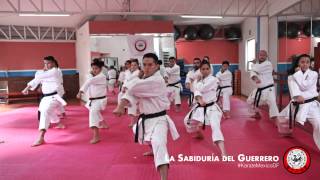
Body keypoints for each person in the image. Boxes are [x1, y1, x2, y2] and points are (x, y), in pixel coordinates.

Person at [113, 53, 179, 180]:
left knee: (159, 144)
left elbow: (132, 87)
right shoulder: (144, 80)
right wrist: (122, 105)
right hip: (145, 119)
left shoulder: (156, 80)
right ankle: (152, 149)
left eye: (150, 65)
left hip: (159, 119)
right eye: (144, 65)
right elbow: (132, 94)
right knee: (141, 134)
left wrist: (121, 105)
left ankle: (164, 178)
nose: (147, 68)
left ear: (156, 66)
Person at [184, 60, 227, 157]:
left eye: (207, 69)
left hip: (212, 107)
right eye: (203, 69)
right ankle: (199, 132)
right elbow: (192, 89)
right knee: (187, 121)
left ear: (210, 69)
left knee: (215, 127)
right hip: (200, 107)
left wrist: (196, 85)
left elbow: (200, 89)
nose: (205, 71)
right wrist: (197, 92)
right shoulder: (198, 80)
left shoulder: (213, 79)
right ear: (200, 70)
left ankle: (223, 151)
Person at [22, 56, 67, 147]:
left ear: (54, 63)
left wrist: (41, 72)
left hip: (55, 96)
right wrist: (27, 88)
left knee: (46, 111)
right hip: (46, 97)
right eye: (45, 63)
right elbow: (37, 79)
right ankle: (59, 123)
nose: (46, 65)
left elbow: (39, 76)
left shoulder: (55, 71)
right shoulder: (45, 72)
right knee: (44, 110)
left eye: (48, 63)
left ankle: (41, 136)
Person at [278, 54, 320, 150]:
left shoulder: (314, 74)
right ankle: (286, 131)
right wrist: (297, 95)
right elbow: (295, 89)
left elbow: (305, 86)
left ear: (310, 63)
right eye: (302, 62)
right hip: (297, 104)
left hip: (312, 105)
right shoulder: (291, 77)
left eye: (307, 62)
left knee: (318, 124)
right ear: (297, 63)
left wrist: (298, 74)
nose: (305, 64)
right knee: (281, 118)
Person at [77, 58, 107, 144]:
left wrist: (80, 92)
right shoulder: (93, 76)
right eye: (93, 68)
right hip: (93, 101)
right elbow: (89, 78)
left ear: (100, 69)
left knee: (93, 115)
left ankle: (96, 136)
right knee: (93, 111)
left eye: (96, 68)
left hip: (99, 100)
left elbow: (89, 81)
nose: (94, 70)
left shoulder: (101, 76)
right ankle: (103, 123)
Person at [247, 50, 279, 121]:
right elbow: (253, 70)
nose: (262, 56)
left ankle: (277, 120)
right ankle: (257, 114)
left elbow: (256, 69)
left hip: (268, 89)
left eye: (263, 55)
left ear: (266, 56)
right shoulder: (258, 65)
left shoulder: (268, 64)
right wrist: (255, 77)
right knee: (251, 100)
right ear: (258, 56)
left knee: (272, 103)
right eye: (260, 55)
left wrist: (254, 64)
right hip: (260, 88)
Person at [121, 59, 141, 127]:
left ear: (138, 65)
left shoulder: (139, 72)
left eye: (135, 65)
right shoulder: (128, 72)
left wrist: (127, 86)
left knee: (134, 108)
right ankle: (133, 122)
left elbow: (135, 82)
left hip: (135, 92)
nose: (133, 66)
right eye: (132, 65)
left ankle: (135, 123)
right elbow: (125, 81)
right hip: (128, 92)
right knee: (131, 109)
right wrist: (123, 87)